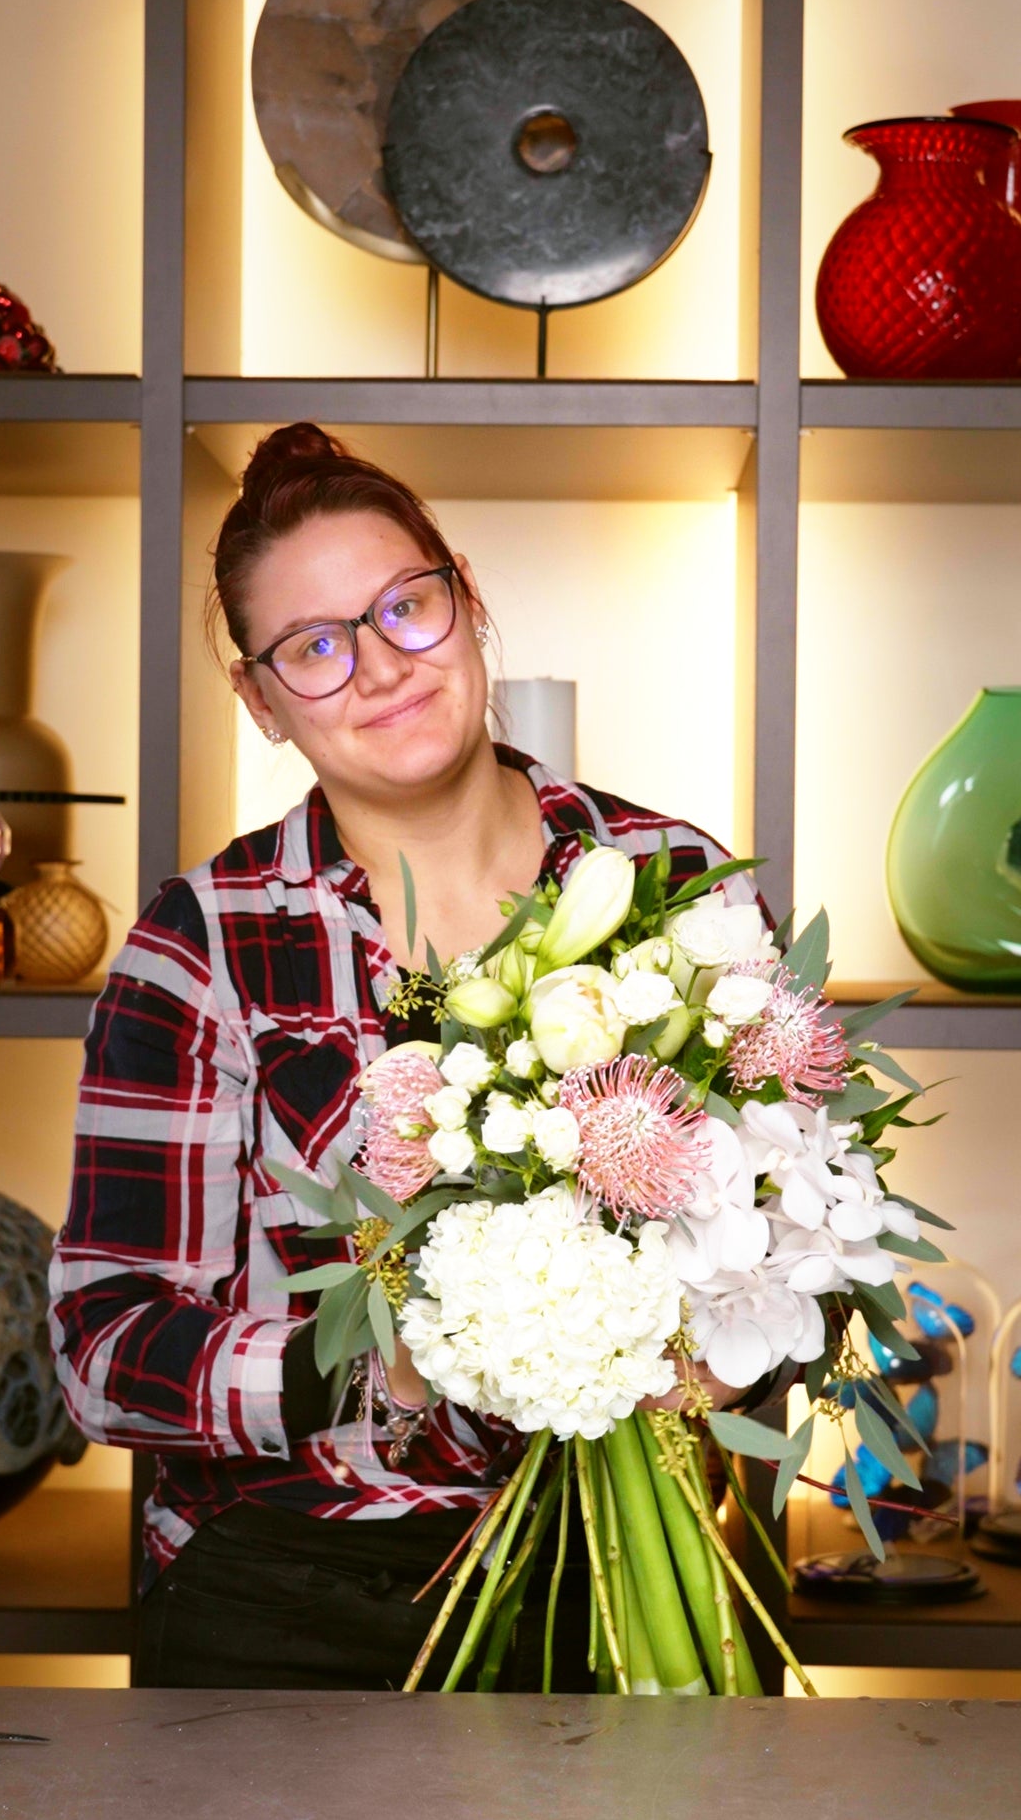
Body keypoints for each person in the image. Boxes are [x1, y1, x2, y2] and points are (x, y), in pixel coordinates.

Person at [49, 422, 766, 1691]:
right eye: (315, 648)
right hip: (292, 1580)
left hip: (616, 1564)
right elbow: (107, 1349)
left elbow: (796, 1235)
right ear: (259, 701)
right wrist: (383, 1365)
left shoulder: (676, 885)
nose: (378, 666)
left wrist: (713, 1344)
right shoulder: (202, 945)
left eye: (405, 608)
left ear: (469, 602)